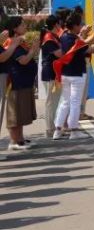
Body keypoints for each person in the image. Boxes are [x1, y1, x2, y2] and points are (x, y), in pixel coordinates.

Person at [53, 11, 94, 140]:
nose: (81, 26)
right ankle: (74, 130)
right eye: (80, 24)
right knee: (75, 102)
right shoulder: (75, 40)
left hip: (65, 73)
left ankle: (57, 130)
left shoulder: (63, 37)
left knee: (64, 102)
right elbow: (92, 49)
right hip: (77, 74)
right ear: (74, 26)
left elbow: (83, 42)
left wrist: (88, 35)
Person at [2, 17, 39, 150]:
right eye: (22, 25)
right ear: (15, 28)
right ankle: (14, 141)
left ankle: (20, 138)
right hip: (16, 82)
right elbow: (23, 60)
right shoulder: (11, 42)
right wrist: (32, 50)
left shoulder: (20, 42)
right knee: (15, 113)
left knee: (22, 112)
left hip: (24, 81)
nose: (25, 27)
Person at [39, 14, 65, 139]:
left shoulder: (53, 37)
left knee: (54, 101)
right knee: (51, 102)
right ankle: (50, 129)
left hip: (54, 72)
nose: (61, 26)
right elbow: (60, 54)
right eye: (60, 23)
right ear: (56, 24)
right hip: (50, 72)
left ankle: (54, 127)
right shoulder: (49, 38)